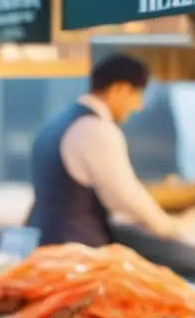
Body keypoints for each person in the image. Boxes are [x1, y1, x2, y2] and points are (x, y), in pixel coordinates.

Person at [26, 53, 178, 246]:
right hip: (75, 246)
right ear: (119, 89)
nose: (138, 106)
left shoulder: (58, 121)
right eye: (137, 94)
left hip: (42, 239)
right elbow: (123, 194)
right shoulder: (96, 129)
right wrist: (166, 227)